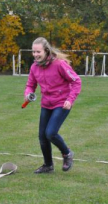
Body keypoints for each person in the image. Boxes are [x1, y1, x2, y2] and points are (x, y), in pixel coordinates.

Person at [24, 37, 81, 174]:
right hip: (46, 104)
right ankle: (48, 165)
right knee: (42, 136)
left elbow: (76, 81)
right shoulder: (34, 67)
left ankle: (67, 154)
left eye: (38, 52)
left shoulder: (59, 64)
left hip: (62, 103)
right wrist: (28, 93)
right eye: (34, 52)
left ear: (46, 51)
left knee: (50, 133)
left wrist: (70, 99)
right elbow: (30, 85)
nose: (36, 55)